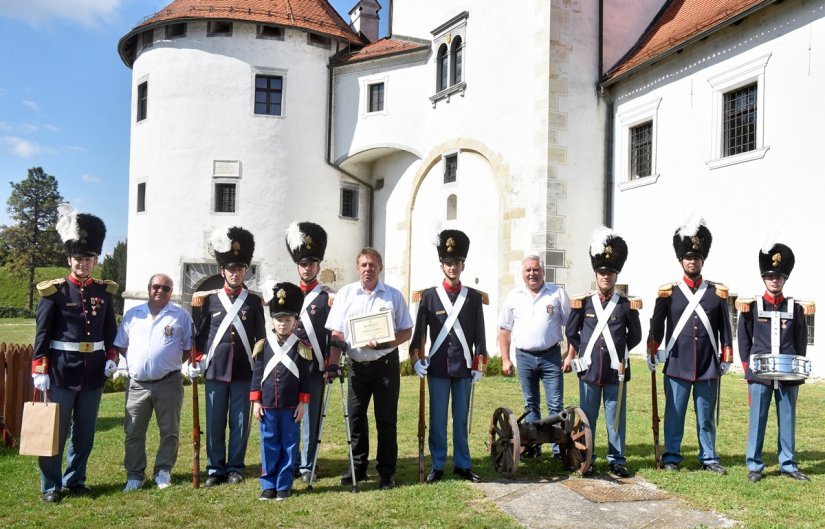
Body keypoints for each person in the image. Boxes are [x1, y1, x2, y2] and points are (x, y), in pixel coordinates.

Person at [31, 205, 118, 503]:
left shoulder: (104, 293)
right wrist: (39, 369)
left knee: (84, 434)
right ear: (70, 259)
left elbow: (111, 332)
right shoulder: (54, 293)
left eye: (89, 258)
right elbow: (42, 335)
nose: (83, 263)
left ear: (96, 260)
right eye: (79, 258)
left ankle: (76, 479)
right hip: (60, 371)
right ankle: (51, 486)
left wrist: (111, 358)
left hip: (92, 373)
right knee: (54, 433)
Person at [647, 216, 733, 474]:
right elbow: (657, 326)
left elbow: (725, 329)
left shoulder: (716, 293)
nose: (692, 261)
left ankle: (708, 457)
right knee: (674, 415)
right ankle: (672, 456)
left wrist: (726, 355)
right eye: (688, 257)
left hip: (707, 365)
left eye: (696, 257)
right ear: (681, 261)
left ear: (702, 260)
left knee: (706, 417)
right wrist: (653, 350)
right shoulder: (668, 292)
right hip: (677, 364)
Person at [325, 248, 413, 490]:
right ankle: (358, 467)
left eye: (373, 265)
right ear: (357, 267)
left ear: (380, 268)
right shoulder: (345, 294)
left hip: (385, 365)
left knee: (386, 420)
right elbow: (336, 331)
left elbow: (406, 330)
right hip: (356, 366)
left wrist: (388, 341)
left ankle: (386, 472)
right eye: (364, 264)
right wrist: (332, 364)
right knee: (355, 418)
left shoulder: (393, 296)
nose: (368, 269)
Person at [189, 226, 266, 487]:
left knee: (240, 421)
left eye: (240, 269)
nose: (235, 273)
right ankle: (215, 468)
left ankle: (234, 466)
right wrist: (197, 360)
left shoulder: (254, 302)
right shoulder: (209, 300)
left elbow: (260, 338)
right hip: (215, 369)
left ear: (245, 271)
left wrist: (260, 369)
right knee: (214, 420)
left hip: (244, 369)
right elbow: (200, 336)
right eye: (231, 269)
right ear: (223, 271)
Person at [410, 229, 487, 484]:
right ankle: (439, 463)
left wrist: (479, 364)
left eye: (457, 263)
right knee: (438, 419)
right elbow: (419, 334)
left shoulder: (474, 298)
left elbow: (480, 334)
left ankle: (463, 464)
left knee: (461, 418)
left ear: (463, 265)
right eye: (448, 263)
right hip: (439, 367)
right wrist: (416, 359)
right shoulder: (429, 297)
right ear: (441, 265)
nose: (453, 267)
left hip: (464, 366)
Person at [564, 228, 641, 478]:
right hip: (589, 370)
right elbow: (572, 331)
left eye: (610, 273)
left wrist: (620, 353)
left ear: (616, 275)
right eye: (602, 273)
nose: (606, 277)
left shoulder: (625, 305)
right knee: (588, 418)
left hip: (615, 370)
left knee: (615, 419)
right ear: (596, 274)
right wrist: (583, 352)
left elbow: (636, 335)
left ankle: (617, 459)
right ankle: (588, 457)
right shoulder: (584, 303)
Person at [737, 242, 813, 482]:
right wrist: (749, 369)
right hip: (760, 373)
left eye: (778, 277)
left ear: (784, 279)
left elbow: (800, 342)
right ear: (764, 279)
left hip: (788, 373)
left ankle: (788, 464)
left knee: (788, 419)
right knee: (757, 419)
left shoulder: (795, 309)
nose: (774, 281)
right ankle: (754, 465)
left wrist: (796, 369)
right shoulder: (751, 307)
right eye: (770, 276)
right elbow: (744, 339)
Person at [115, 273, 193, 492]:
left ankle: (163, 471)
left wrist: (165, 363)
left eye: (166, 288)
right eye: (156, 287)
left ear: (171, 292)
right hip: (137, 384)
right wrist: (137, 362)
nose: (160, 291)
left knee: (170, 430)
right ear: (149, 288)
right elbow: (121, 344)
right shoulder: (133, 315)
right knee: (133, 432)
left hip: (168, 382)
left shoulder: (181, 316)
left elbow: (187, 349)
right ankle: (134, 475)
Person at [498, 255, 569, 458]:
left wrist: (570, 355)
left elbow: (571, 326)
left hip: (551, 356)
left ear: (543, 271)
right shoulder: (514, 296)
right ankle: (533, 447)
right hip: (524, 356)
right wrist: (505, 358)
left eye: (536, 269)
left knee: (556, 404)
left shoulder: (557, 293)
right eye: (528, 270)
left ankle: (558, 449)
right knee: (531, 404)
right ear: (523, 274)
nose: (532, 273)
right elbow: (504, 329)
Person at [251, 282, 311, 500]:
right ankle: (268, 484)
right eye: (279, 320)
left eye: (287, 320)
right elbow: (258, 375)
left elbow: (305, 378)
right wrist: (256, 401)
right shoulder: (263, 345)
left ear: (295, 321)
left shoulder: (301, 346)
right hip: (267, 404)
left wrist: (303, 402)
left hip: (290, 406)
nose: (283, 324)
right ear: (272, 321)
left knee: (289, 444)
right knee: (269, 444)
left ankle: (284, 484)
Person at [284, 221, 334, 483]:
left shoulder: (328, 297)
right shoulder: (286, 295)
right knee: (290, 415)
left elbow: (333, 332)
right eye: (304, 264)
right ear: (298, 266)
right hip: (290, 366)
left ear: (318, 266)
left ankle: (307, 465)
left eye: (312, 264)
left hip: (315, 367)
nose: (307, 268)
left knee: (311, 418)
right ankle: (290, 463)